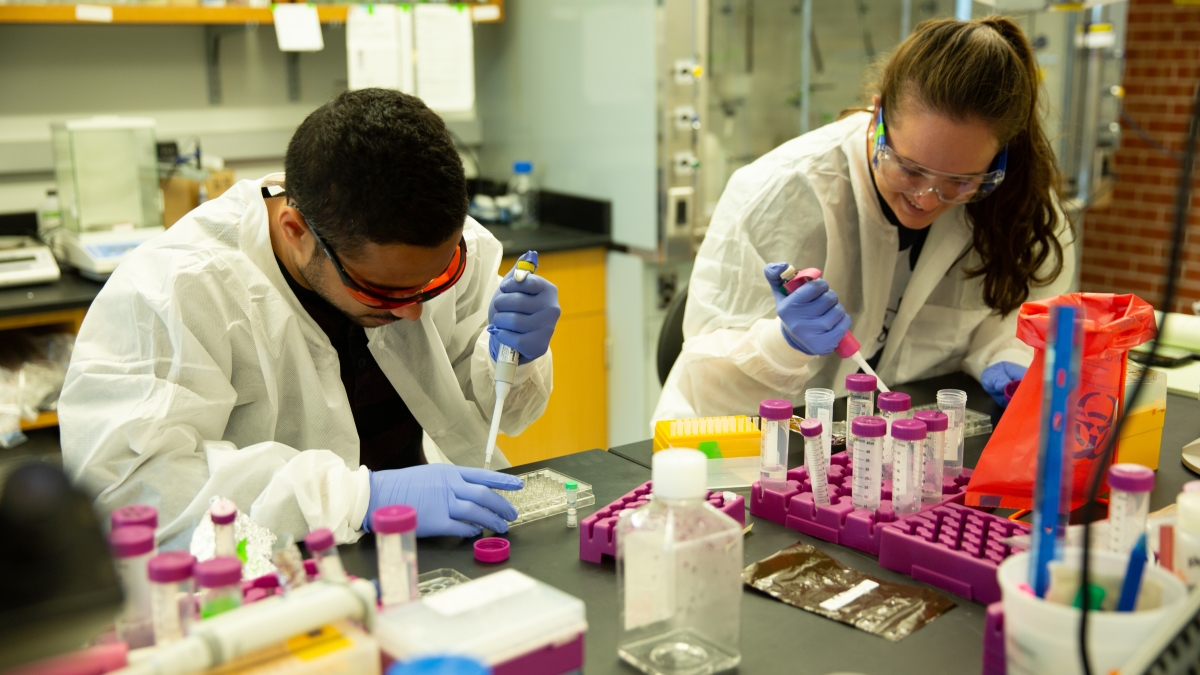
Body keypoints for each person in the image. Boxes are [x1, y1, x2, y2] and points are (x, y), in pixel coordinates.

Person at [60, 90, 561, 549]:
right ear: (296, 230)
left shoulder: (425, 247)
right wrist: (358, 499)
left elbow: (505, 414)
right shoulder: (177, 290)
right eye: (381, 290)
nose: (412, 309)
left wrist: (510, 354)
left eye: (435, 283)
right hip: (274, 576)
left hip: (435, 538)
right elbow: (136, 494)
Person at [654, 17, 1075, 423]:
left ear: (1000, 155)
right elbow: (705, 384)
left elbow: (1013, 318)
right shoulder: (780, 191)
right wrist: (782, 345)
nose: (926, 199)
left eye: (960, 181)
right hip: (755, 454)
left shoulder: (1021, 204)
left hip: (908, 447)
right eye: (909, 169)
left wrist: (1008, 357)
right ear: (877, 117)